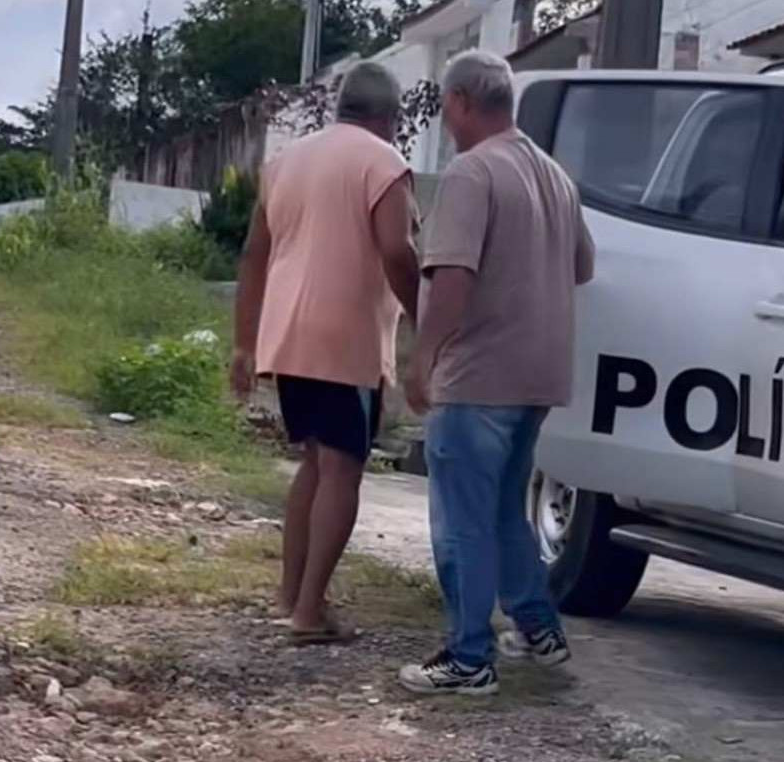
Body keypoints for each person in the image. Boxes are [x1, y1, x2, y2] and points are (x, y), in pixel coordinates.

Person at [399, 50, 595, 695]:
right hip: (537, 373)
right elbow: (584, 265)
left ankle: (468, 657)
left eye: (445, 107)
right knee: (507, 511)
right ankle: (539, 629)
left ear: (459, 102)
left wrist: (424, 356)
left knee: (462, 521)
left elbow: (454, 275)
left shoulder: (472, 171)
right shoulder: (553, 174)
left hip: (478, 374)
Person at [231, 62, 420, 645]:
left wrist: (243, 342)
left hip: (288, 333)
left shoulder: (286, 162)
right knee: (342, 469)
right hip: (346, 337)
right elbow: (397, 249)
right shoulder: (384, 163)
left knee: (315, 463)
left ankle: (293, 594)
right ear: (390, 117)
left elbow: (254, 255)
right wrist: (424, 312)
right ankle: (309, 612)